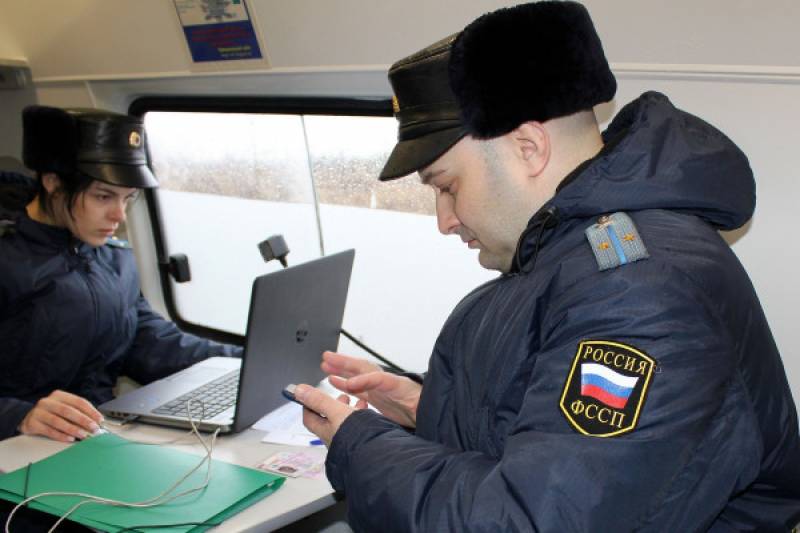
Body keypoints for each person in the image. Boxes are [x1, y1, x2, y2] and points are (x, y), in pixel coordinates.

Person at [292, 2, 800, 531]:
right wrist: (429, 406)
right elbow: (544, 438)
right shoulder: (567, 257)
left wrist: (357, 446)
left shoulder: (643, 293)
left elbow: (528, 521)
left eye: (448, 186)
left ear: (529, 147)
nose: (445, 220)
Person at [0, 105, 242, 444]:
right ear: (53, 182)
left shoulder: (113, 259)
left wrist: (248, 360)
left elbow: (151, 344)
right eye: (103, 197)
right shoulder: (9, 258)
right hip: (19, 444)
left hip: (97, 434)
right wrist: (17, 416)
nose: (119, 215)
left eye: (128, 198)